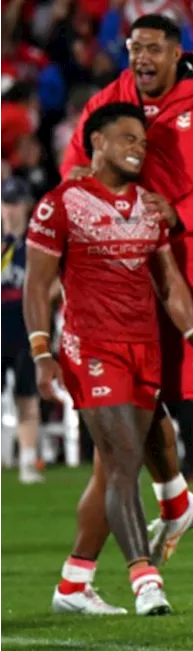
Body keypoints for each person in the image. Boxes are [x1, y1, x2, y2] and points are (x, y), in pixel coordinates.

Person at [60, 13, 193, 584]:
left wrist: (183, 211)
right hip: (130, 270)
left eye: (152, 48)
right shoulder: (109, 99)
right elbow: (75, 162)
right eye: (133, 47)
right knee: (141, 395)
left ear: (176, 53)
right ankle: (175, 497)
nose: (141, 58)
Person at [26, 103, 193, 616]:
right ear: (96, 143)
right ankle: (145, 580)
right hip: (92, 347)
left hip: (144, 349)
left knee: (112, 473)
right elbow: (37, 285)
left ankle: (73, 584)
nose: (137, 147)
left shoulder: (153, 208)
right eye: (126, 137)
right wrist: (42, 350)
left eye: (143, 142)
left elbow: (169, 283)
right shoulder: (61, 204)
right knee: (125, 461)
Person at [0, 177, 42, 484]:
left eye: (16, 203)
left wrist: (42, 299)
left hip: (28, 327)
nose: (12, 210)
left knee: (28, 396)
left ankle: (27, 462)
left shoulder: (39, 242)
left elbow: (55, 281)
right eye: (7, 203)